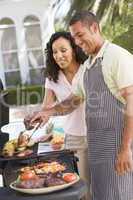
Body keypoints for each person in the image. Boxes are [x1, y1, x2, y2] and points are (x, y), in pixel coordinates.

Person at [30, 11, 133, 200]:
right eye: (74, 36)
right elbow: (72, 101)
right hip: (97, 151)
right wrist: (47, 112)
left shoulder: (117, 56)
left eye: (80, 35)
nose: (77, 41)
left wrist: (126, 148)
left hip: (118, 150)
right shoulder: (88, 66)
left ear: (94, 28)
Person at [26, 31, 90, 198]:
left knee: (96, 186)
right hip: (73, 137)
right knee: (79, 189)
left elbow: (73, 102)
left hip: (95, 134)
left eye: (63, 50)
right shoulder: (52, 77)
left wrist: (47, 112)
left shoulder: (87, 69)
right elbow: (47, 107)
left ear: (74, 49)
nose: (59, 55)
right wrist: (36, 117)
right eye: (54, 52)